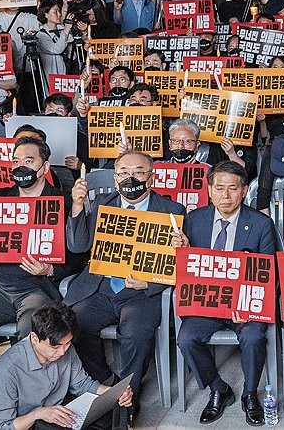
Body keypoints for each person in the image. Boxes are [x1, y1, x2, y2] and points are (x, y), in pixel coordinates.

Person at [64, 151, 185, 420]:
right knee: (76, 324)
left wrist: (153, 279)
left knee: (134, 332)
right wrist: (77, 207)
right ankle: (107, 383)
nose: (131, 178)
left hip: (142, 292)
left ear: (151, 177)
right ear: (116, 178)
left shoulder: (173, 211)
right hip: (102, 287)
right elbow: (78, 246)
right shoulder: (101, 205)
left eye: (139, 172)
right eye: (124, 173)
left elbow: (180, 264)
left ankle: (129, 396)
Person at [173, 161, 278, 425]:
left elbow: (269, 273)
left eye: (233, 188)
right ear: (209, 190)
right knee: (186, 338)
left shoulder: (261, 223)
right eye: (219, 188)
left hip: (244, 304)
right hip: (207, 304)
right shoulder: (194, 220)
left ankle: (250, 393)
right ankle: (219, 389)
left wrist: (249, 306)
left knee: (254, 336)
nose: (226, 195)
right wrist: (181, 251)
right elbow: (185, 271)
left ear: (244, 191)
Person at [0, 138, 74, 366]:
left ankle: (29, 391)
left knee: (33, 331)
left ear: (44, 168)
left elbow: (79, 255)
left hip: (37, 289)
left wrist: (51, 269)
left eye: (29, 160)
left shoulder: (62, 202)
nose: (20, 166)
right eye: (16, 161)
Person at [0, 302, 133, 430]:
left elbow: (82, 384)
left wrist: (113, 392)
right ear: (34, 338)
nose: (63, 351)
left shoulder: (65, 347)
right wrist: (39, 414)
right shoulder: (6, 371)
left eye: (67, 344)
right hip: (32, 423)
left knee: (120, 407)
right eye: (55, 347)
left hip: (61, 414)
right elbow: (3, 426)